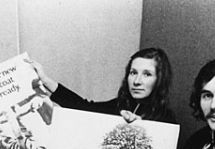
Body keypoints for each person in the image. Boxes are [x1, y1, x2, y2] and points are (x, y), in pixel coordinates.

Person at [30, 47, 176, 124]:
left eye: (147, 74)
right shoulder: (119, 106)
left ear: (159, 79)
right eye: (133, 73)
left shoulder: (166, 118)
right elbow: (84, 107)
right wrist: (45, 79)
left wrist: (143, 128)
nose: (137, 81)